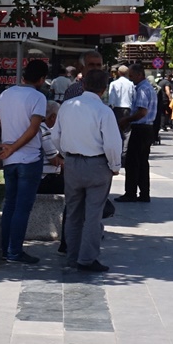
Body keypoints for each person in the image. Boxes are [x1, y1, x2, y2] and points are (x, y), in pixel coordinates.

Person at [53, 69, 122, 273]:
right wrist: (115, 166)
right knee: (93, 214)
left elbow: (55, 135)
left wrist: (64, 153)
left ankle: (72, 256)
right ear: (104, 89)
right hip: (97, 165)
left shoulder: (67, 106)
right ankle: (87, 258)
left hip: (72, 163)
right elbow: (112, 143)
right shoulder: (103, 111)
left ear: (82, 85)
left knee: (73, 211)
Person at [0, 58, 50, 265]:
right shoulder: (38, 97)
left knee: (10, 205)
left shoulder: (5, 94)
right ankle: (14, 251)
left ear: (23, 75)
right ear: (42, 79)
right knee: (22, 207)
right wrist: (14, 147)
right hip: (29, 159)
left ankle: (6, 249)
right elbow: (33, 130)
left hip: (8, 160)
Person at [116, 64, 156, 203]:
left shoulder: (143, 89)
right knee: (142, 162)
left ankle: (131, 193)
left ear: (139, 74)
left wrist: (126, 119)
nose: (130, 79)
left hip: (141, 128)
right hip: (147, 128)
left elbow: (142, 111)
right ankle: (144, 193)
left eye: (132, 76)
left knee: (132, 161)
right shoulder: (147, 87)